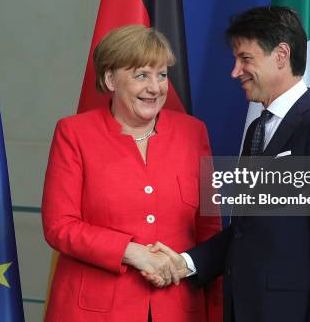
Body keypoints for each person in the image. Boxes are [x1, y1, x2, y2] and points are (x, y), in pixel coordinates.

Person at [144, 6, 310, 322]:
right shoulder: (256, 130)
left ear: (282, 55)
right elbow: (248, 229)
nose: (235, 71)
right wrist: (186, 263)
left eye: (245, 59)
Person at [42, 25, 222, 322]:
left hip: (178, 309)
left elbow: (209, 230)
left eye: (161, 75)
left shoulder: (193, 132)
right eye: (141, 75)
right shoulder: (74, 133)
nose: (155, 87)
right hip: (94, 311)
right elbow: (59, 225)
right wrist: (131, 252)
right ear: (110, 79)